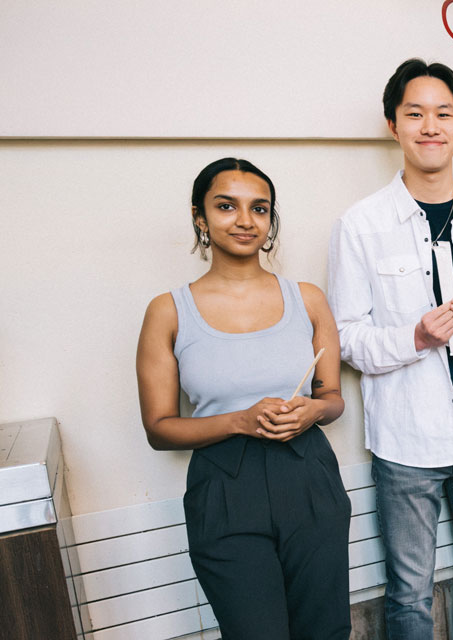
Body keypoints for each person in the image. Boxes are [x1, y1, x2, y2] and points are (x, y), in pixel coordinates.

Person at [327, 58, 453, 639]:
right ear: (393, 125)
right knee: (410, 589)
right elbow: (344, 336)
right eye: (414, 114)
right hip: (407, 438)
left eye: (443, 113)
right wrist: (414, 337)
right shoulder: (360, 225)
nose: (430, 126)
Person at [135, 157, 351, 640]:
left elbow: (333, 396)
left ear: (270, 220)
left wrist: (316, 410)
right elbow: (159, 428)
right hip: (224, 487)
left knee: (326, 630)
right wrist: (241, 421)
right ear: (200, 217)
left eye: (259, 208)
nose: (245, 220)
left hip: (309, 477)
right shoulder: (169, 311)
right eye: (226, 206)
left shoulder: (309, 299)